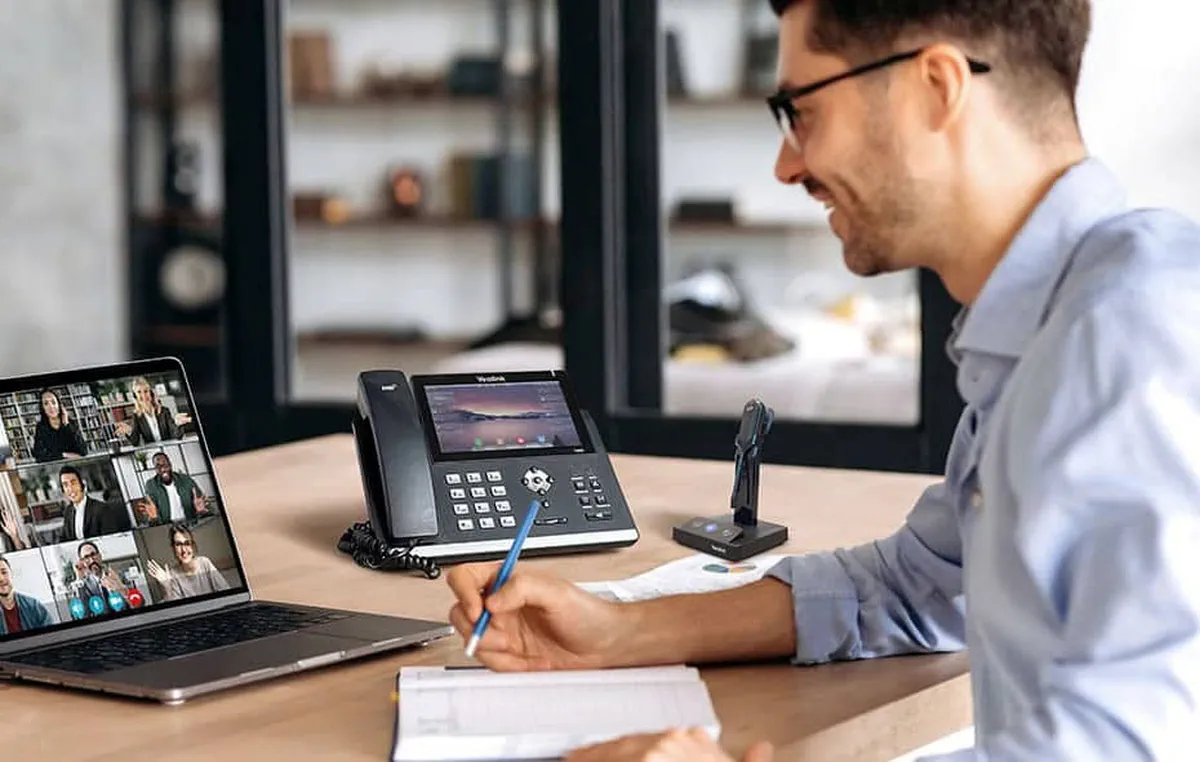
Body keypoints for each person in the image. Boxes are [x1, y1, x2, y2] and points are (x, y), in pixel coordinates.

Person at [445, 1, 1200, 760]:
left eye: (801, 112)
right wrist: (617, 633)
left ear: (937, 88)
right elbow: (920, 585)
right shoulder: (1047, 331)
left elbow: (1135, 744)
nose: (786, 166)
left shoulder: (1131, 339)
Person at [146, 523, 229, 602]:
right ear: (173, 548)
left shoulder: (205, 563)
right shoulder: (172, 575)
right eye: (178, 544)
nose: (183, 550)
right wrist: (167, 587)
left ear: (193, 545)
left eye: (187, 543)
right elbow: (177, 608)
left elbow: (225, 591)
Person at [58, 465, 132, 541]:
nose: (70, 489)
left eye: (73, 483)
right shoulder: (68, 511)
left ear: (82, 484)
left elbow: (111, 540)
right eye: (65, 485)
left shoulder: (102, 509)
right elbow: (63, 539)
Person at [114, 376, 192, 447]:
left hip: (170, 449)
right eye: (139, 392)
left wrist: (178, 424)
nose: (143, 396)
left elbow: (176, 436)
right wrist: (129, 431)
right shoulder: (136, 416)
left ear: (151, 393)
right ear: (135, 396)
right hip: (153, 452)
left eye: (146, 391)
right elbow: (135, 442)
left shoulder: (164, 411)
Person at [142, 452, 210, 524]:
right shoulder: (151, 485)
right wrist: (153, 518)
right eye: (158, 466)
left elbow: (206, 507)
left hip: (190, 524)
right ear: (155, 469)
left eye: (165, 464)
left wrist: (202, 511)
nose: (162, 469)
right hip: (167, 526)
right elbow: (149, 515)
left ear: (170, 465)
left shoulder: (186, 480)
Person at [71, 541, 130, 617]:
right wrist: (79, 578)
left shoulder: (118, 576)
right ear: (82, 562)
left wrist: (121, 590)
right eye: (86, 557)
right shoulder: (84, 586)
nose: (92, 560)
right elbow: (84, 615)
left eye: (93, 554)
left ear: (100, 555)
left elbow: (137, 604)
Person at [0, 555, 54, 634]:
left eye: (4, 572)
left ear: (12, 574)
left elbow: (52, 636)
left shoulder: (34, 606)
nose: (1, 579)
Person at [31, 388, 86, 463]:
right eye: (46, 403)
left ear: (59, 405)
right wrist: (64, 455)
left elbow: (83, 451)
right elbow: (39, 456)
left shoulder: (71, 423)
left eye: (53, 402)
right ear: (42, 408)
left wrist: (67, 425)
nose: (51, 406)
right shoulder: (41, 427)